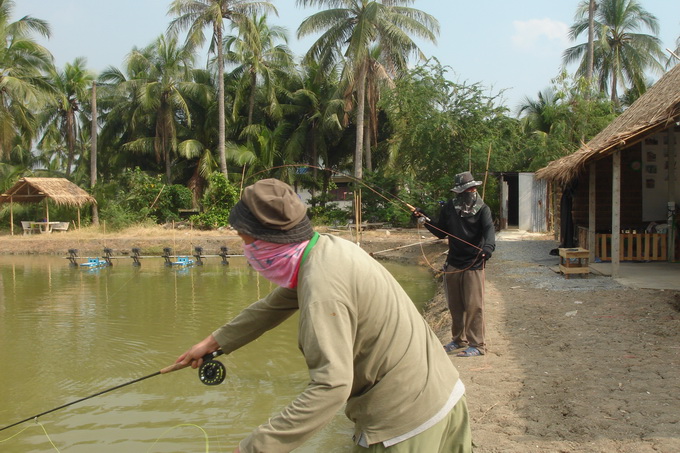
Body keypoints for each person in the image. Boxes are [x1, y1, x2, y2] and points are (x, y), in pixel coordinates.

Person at [175, 178, 472, 453]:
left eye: (246, 240)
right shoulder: (328, 249)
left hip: (404, 424)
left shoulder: (321, 288)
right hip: (445, 395)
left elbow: (331, 387)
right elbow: (272, 306)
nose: (245, 250)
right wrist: (214, 342)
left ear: (268, 240)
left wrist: (253, 447)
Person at [413, 171, 495, 358]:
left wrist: (488, 249)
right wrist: (424, 218)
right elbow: (441, 232)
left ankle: (478, 345)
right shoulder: (450, 207)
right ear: (459, 192)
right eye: (468, 189)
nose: (472, 191)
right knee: (455, 305)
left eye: (473, 188)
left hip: (474, 263)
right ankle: (458, 340)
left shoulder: (483, 209)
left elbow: (489, 230)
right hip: (453, 263)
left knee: (474, 305)